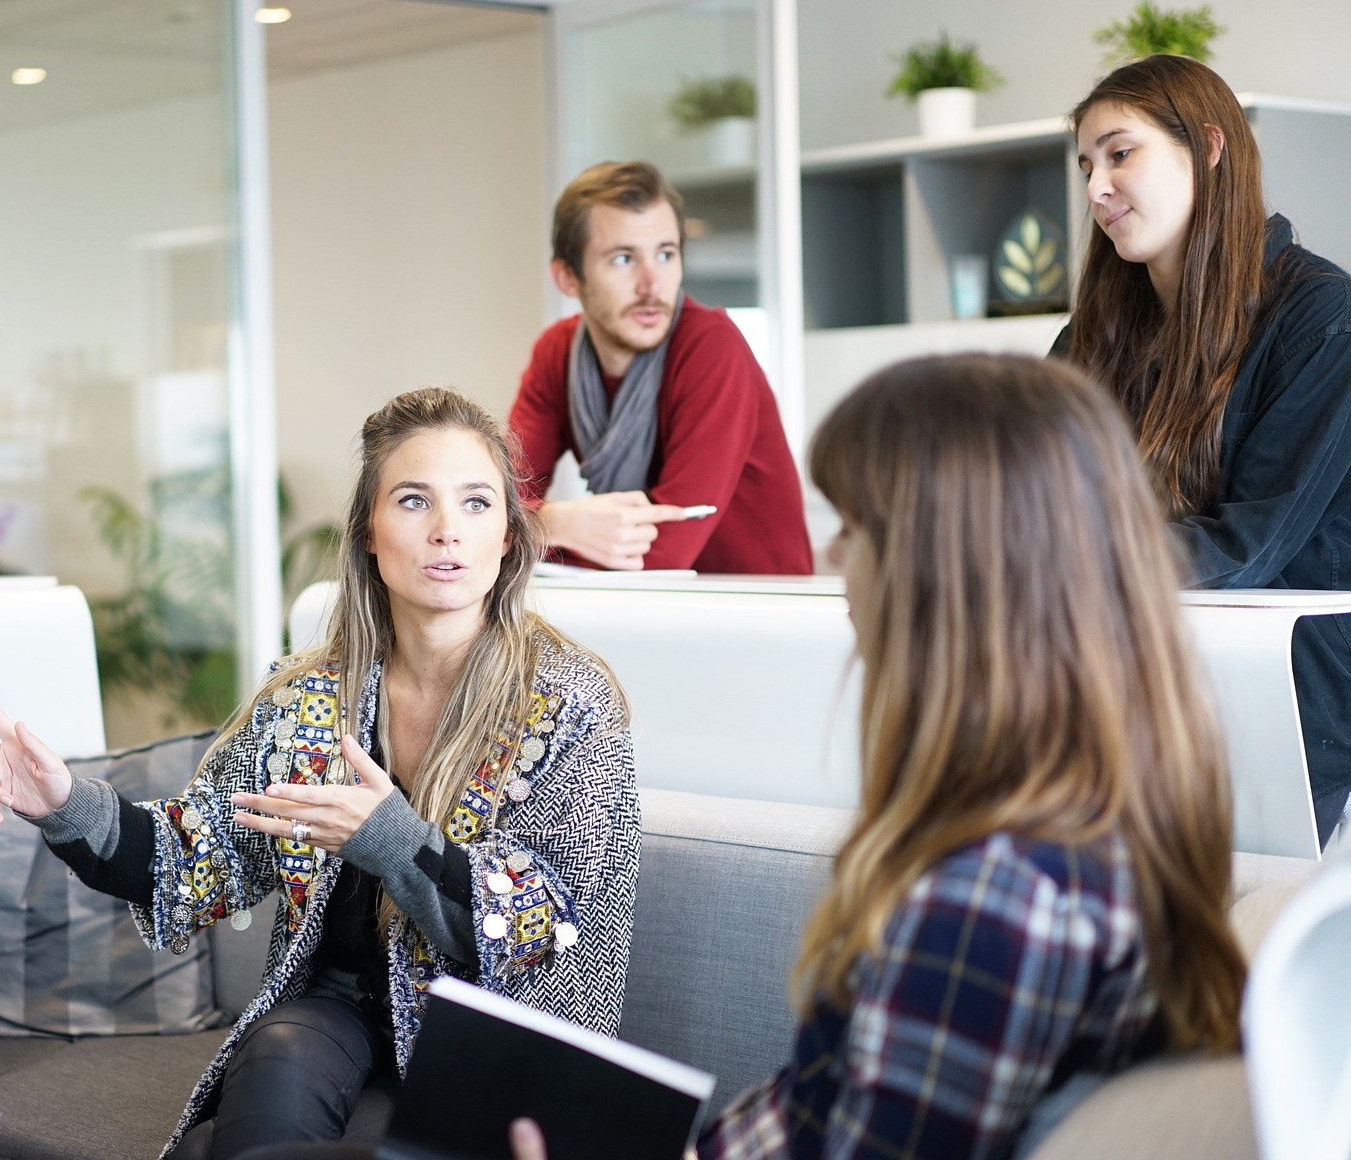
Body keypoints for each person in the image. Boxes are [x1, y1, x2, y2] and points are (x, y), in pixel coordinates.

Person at [486, 355, 1248, 1160]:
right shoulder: (1088, 820)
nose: (835, 557)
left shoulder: (992, 902)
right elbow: (822, 1113)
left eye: (856, 527)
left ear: (944, 571)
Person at [0, 387, 640, 1158]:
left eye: (476, 503)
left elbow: (542, 919)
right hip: (337, 1006)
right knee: (270, 1069)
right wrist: (65, 804)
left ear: (508, 535)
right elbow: (196, 856)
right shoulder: (310, 695)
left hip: (497, 1026)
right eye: (414, 500)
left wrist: (389, 839)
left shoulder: (571, 702)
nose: (447, 530)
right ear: (369, 534)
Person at [1054, 54, 1351, 842]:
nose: (1096, 188)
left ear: (1209, 148)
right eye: (1087, 165)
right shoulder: (1092, 338)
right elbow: (1029, 495)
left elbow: (1248, 544)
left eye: (1121, 153)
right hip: (1130, 678)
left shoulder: (1322, 317)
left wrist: (1056, 563)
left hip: (1289, 701)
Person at [507, 160, 810, 574]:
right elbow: (493, 504)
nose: (652, 285)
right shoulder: (556, 353)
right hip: (646, 611)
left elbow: (664, 552)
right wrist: (555, 522)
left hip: (756, 614)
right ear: (567, 278)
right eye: (623, 259)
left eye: (665, 254)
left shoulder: (711, 346)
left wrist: (530, 530)